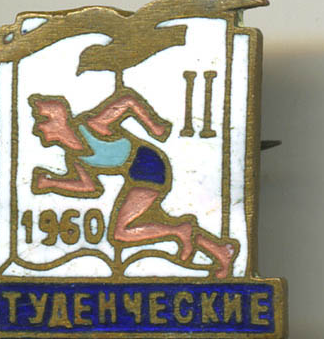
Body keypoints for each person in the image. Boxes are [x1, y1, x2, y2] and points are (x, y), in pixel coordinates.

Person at [29, 88, 238, 278]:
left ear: (59, 119)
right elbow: (89, 187)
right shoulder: (74, 156)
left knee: (121, 232)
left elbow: (128, 101)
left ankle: (181, 231)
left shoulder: (91, 126)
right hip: (137, 176)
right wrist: (52, 183)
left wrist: (154, 126)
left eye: (42, 120)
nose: (37, 128)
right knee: (139, 225)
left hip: (149, 166)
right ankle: (219, 251)